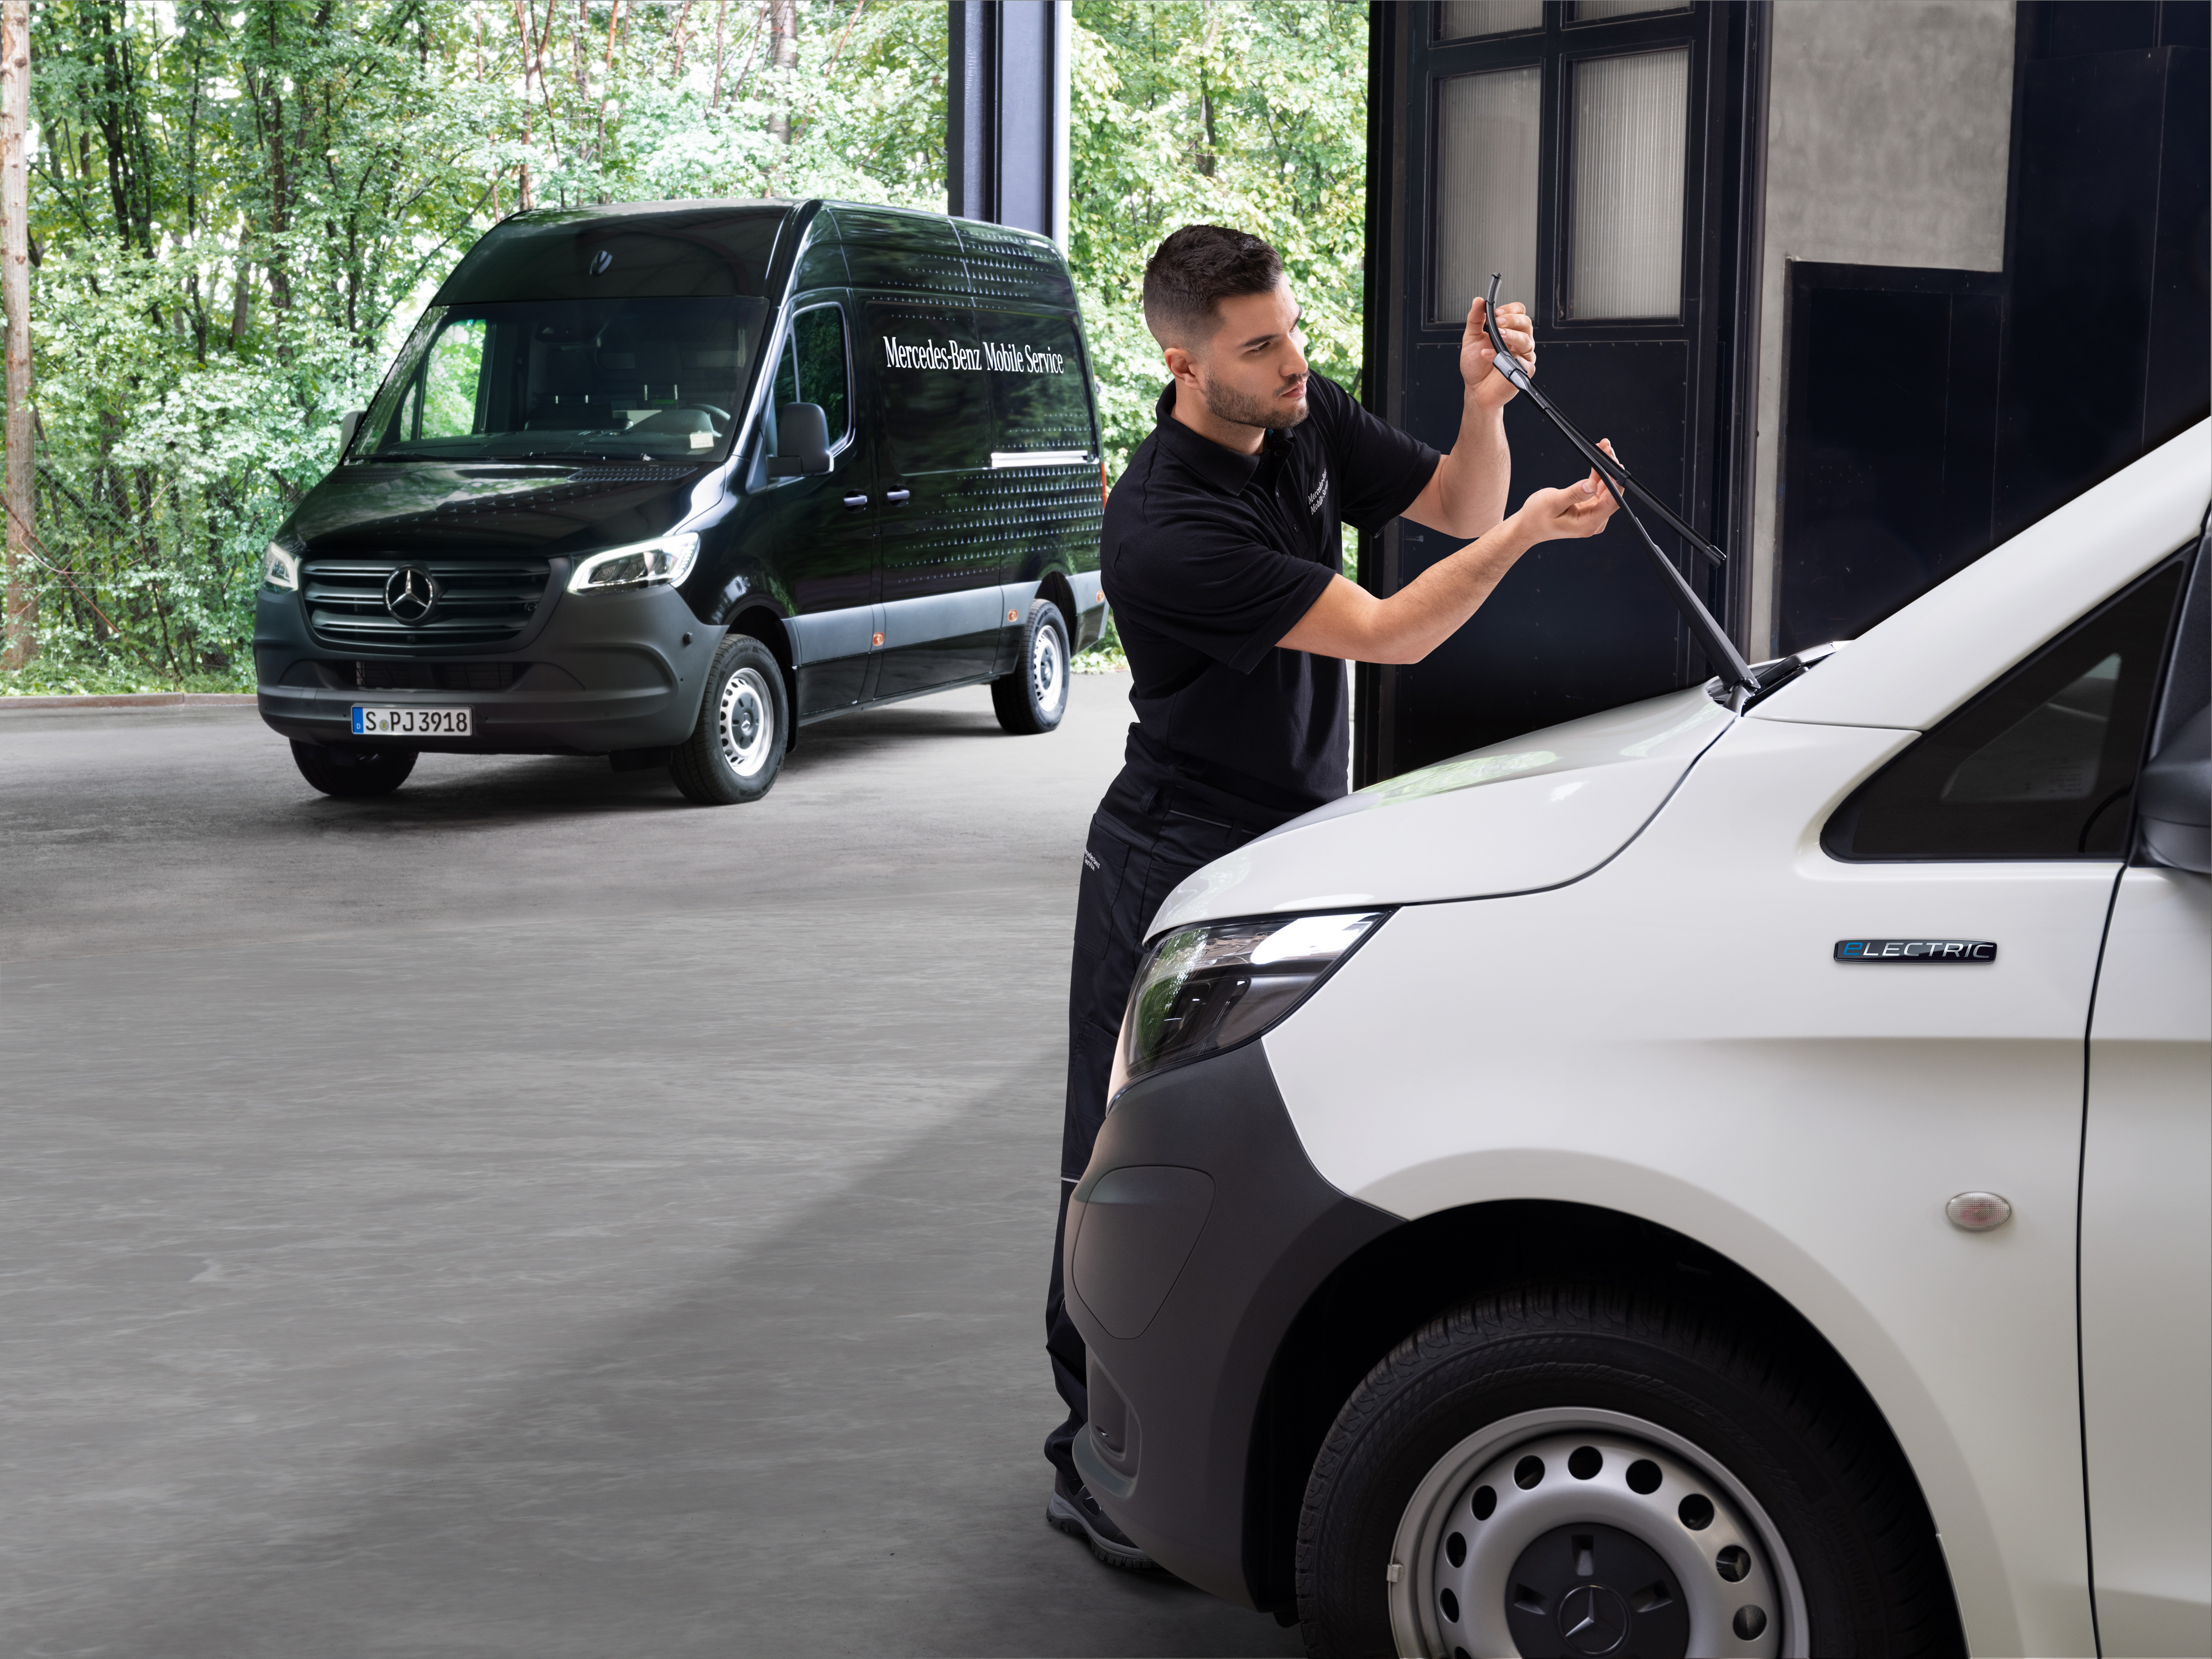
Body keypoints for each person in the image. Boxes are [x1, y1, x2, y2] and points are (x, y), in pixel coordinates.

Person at [1043, 224, 1624, 1569]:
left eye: (1289, 329)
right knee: (1114, 1156)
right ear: (1182, 364)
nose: (1292, 360)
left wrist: (1485, 411)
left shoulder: (1299, 415)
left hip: (1295, 845)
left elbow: (1457, 507)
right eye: (1256, 346)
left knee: (1269, 1144)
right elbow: (1385, 631)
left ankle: (1225, 1426)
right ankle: (1088, 1451)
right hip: (1172, 855)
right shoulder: (1163, 524)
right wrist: (1541, 533)